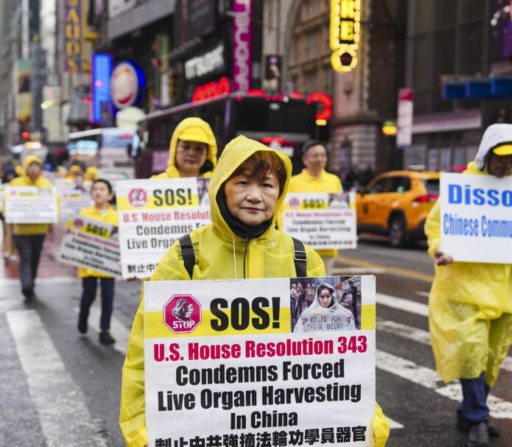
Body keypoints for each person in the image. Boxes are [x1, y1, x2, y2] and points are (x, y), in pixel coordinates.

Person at [120, 135, 389, 447]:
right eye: (243, 182)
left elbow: (338, 362)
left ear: (280, 192)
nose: (254, 196)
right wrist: (141, 430)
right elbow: (145, 354)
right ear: (221, 186)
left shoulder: (303, 259)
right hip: (203, 427)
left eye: (267, 185)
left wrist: (368, 420)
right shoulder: (185, 256)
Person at [425, 123, 512, 447]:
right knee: (472, 354)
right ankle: (477, 418)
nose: (504, 164)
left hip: (506, 295)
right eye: (499, 157)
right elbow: (435, 225)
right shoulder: (462, 185)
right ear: (485, 154)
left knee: (491, 359)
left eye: (511, 158)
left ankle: (468, 412)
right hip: (464, 291)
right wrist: (439, 248)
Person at [286, 140, 345, 274]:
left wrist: (347, 232)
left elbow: (341, 212)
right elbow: (283, 214)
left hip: (327, 248)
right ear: (305, 160)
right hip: (300, 249)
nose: (320, 159)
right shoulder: (293, 183)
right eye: (315, 155)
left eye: (323, 155)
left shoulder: (334, 180)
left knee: (323, 288)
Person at [6, 155, 56, 301]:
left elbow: (54, 204)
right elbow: (7, 203)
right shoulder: (16, 184)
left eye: (36, 166)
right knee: (26, 258)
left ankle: (31, 282)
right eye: (31, 166)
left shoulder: (47, 185)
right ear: (25, 167)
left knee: (35, 259)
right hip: (21, 231)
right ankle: (26, 286)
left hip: (40, 231)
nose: (33, 169)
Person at [76, 179, 119, 345]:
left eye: (102, 189)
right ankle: (83, 317)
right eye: (95, 189)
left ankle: (105, 330)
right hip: (89, 266)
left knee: (108, 297)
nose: (98, 192)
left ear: (110, 195)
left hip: (109, 266)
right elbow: (76, 238)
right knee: (89, 295)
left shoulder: (116, 216)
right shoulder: (84, 214)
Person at [151, 117, 217, 179]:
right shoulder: (155, 184)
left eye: (199, 149)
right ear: (175, 148)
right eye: (186, 147)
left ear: (208, 153)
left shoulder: (217, 186)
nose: (191, 153)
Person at [0, 165, 18, 261]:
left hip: (15, 213)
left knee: (15, 233)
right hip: (4, 213)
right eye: (8, 175)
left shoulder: (18, 185)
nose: (10, 177)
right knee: (7, 233)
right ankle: (6, 251)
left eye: (12, 175)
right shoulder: (3, 186)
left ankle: (14, 251)